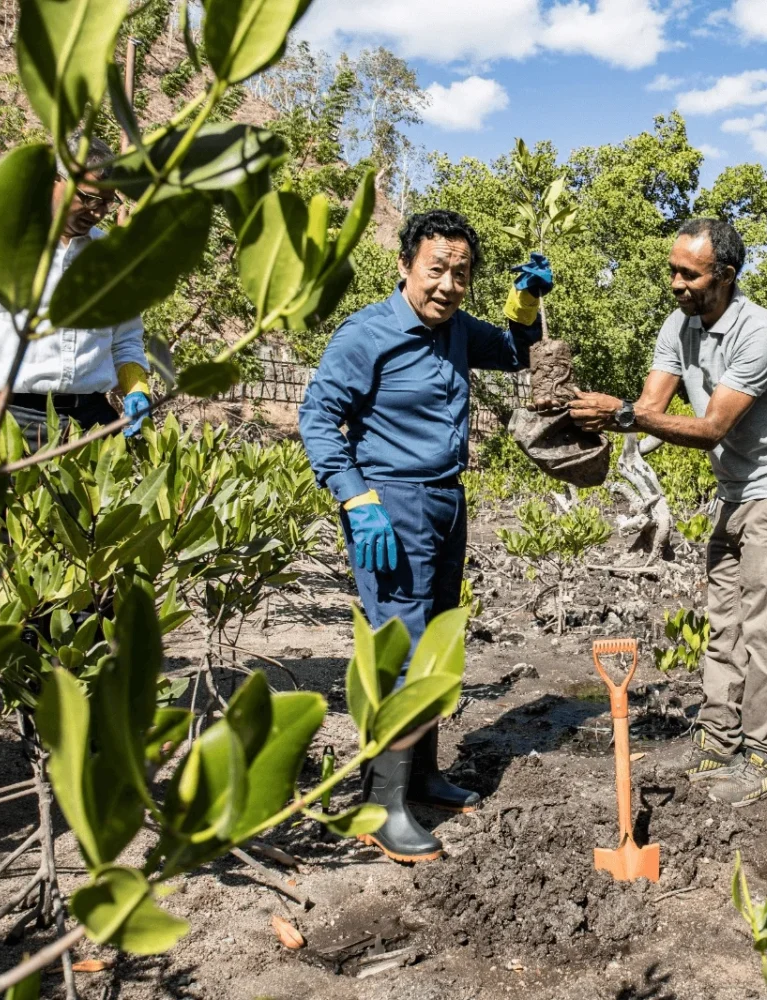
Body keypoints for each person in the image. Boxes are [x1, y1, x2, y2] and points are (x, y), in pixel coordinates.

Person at [299, 210, 552, 862]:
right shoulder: (366, 334)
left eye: (460, 274)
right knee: (401, 650)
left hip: (445, 501)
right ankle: (381, 804)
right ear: (405, 266)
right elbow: (318, 418)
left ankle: (423, 776)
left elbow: (517, 354)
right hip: (389, 505)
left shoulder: (459, 330)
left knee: (436, 642)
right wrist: (357, 498)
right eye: (436, 269)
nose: (447, 285)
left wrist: (525, 302)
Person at [570, 218, 767, 809]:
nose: (677, 283)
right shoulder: (678, 325)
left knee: (764, 631)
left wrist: (623, 414)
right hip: (732, 494)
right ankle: (718, 738)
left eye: (690, 274)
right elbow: (649, 405)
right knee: (724, 624)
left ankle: (766, 758)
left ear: (725, 275)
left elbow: (710, 429)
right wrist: (588, 421)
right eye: (673, 271)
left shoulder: (760, 334)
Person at [0, 138, 152, 449]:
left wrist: (137, 387)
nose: (97, 212)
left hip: (91, 422)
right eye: (88, 198)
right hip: (5, 420)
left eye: (107, 202)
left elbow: (125, 339)